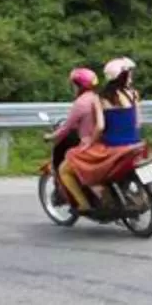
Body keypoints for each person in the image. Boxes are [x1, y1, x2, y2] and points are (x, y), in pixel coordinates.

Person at [60, 56, 144, 204]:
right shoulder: (134, 94)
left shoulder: (101, 98)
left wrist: (89, 143)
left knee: (73, 157)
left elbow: (100, 126)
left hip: (112, 147)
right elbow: (138, 122)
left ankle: (87, 202)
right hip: (135, 144)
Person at [47, 67, 101, 209]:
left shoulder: (81, 103)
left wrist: (50, 137)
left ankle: (83, 204)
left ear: (79, 86)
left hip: (88, 146)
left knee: (64, 170)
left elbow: (66, 128)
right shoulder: (99, 98)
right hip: (104, 143)